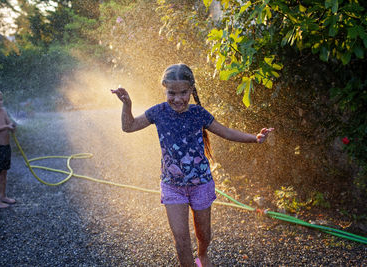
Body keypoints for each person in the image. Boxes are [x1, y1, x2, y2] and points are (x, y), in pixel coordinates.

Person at [111, 63, 273, 267]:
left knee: (204, 235)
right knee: (181, 240)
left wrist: (254, 138)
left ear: (191, 90)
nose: (177, 99)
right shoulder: (158, 112)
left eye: (183, 93)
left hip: (201, 184)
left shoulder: (198, 113)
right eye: (171, 93)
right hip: (172, 186)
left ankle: (202, 255)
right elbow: (129, 126)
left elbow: (226, 132)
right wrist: (127, 104)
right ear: (164, 89)